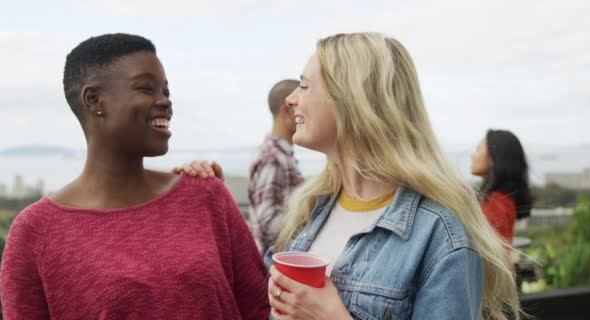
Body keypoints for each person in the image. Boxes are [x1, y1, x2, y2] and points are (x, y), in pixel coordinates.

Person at [183, 32, 521, 320]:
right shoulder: (310, 210)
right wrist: (199, 198)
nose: (290, 100)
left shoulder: (441, 234)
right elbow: (248, 294)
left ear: (350, 99)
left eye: (303, 86)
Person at [0, 33, 269, 319]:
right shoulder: (36, 231)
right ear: (94, 100)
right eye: (146, 88)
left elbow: (260, 309)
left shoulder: (205, 195)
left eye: (165, 91)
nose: (164, 101)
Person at [248, 79, 304, 253]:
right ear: (286, 111)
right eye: (299, 107)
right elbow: (267, 225)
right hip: (272, 266)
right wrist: (309, 215)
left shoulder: (278, 154)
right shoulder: (273, 157)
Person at [471, 129, 532, 244]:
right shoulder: (501, 200)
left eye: (478, 149)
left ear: (493, 157)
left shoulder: (496, 203)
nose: (472, 155)